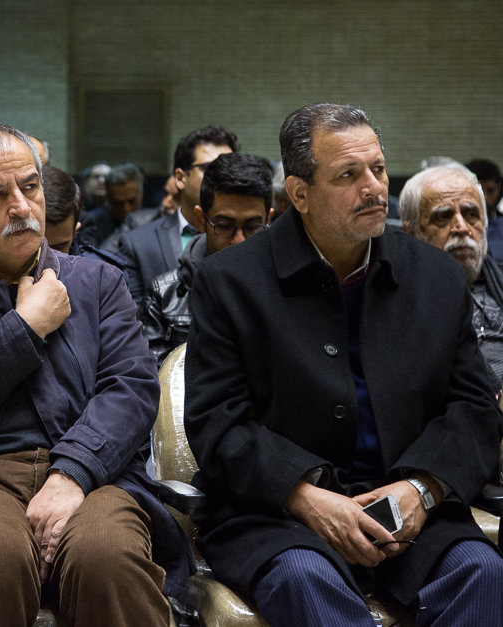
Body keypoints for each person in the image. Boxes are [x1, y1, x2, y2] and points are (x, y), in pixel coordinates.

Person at [185, 103, 503, 626]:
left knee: (484, 575)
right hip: (278, 513)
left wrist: (423, 490)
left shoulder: (436, 276)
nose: (374, 188)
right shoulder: (230, 282)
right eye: (349, 175)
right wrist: (305, 497)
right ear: (300, 194)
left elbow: (474, 409)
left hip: (409, 506)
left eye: (378, 169)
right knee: (306, 582)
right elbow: (217, 423)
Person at [0, 124, 192, 625]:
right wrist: (24, 327)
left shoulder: (98, 281)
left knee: (107, 558)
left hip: (94, 473)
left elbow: (130, 390)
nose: (21, 207)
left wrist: (73, 472)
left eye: (30, 187)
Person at [142, 153, 272, 362]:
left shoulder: (292, 288)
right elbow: (155, 375)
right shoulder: (165, 294)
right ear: (201, 219)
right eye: (225, 226)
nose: (239, 240)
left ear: (269, 219)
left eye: (252, 227)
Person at [400, 163, 503, 386]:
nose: (461, 227)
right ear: (411, 233)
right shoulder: (396, 300)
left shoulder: (498, 283)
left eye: (471, 214)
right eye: (443, 217)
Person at [118, 126, 237, 308]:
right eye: (210, 168)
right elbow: (134, 317)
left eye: (230, 168)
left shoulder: (251, 236)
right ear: (181, 178)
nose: (224, 177)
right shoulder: (138, 244)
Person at [89, 162, 143, 245]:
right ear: (108, 199)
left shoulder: (154, 219)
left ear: (141, 194)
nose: (127, 209)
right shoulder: (92, 224)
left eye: (131, 201)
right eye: (119, 203)